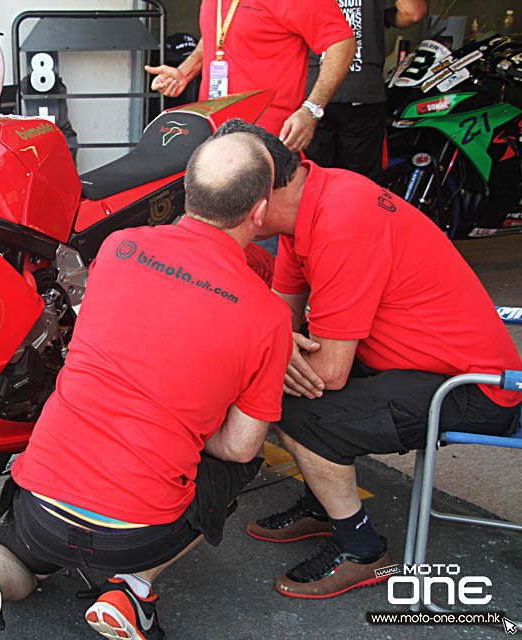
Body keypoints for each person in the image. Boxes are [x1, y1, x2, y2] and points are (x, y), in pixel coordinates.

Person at [0, 131, 293, 640]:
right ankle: (132, 589)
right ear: (260, 212)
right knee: (241, 465)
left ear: (184, 191)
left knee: (11, 554)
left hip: (43, 500)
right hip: (138, 530)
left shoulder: (119, 248)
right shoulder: (268, 316)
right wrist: (192, 427)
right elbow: (240, 448)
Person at [221, 120, 522, 599]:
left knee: (297, 411)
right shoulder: (309, 200)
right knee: (284, 388)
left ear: (254, 203)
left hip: (472, 386)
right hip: (412, 364)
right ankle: (322, 503)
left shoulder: (341, 223)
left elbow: (327, 372)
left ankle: (361, 550)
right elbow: (281, 320)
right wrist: (275, 349)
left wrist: (262, 365)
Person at [144, 0, 357, 152]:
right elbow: (217, 34)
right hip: (215, 134)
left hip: (267, 141)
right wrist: (185, 72)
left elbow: (342, 43)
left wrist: (312, 109)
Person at [303, 0, 427, 180]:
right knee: (359, 186)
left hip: (312, 91)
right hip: (362, 90)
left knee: (312, 184)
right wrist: (381, 18)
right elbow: (412, 12)